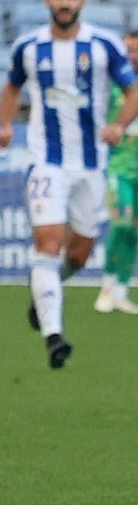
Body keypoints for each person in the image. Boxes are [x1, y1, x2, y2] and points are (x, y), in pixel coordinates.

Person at [0, 0, 138, 367]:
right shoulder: (28, 46)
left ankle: (45, 291)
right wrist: (5, 125)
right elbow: (10, 88)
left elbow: (133, 92)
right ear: (47, 1)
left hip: (90, 164)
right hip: (47, 162)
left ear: (82, 1)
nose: (64, 3)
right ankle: (54, 337)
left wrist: (119, 125)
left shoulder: (103, 45)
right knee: (48, 244)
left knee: (81, 252)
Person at [95, 30, 138, 314]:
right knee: (121, 224)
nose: (131, 55)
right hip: (118, 168)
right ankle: (107, 285)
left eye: (135, 50)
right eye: (128, 50)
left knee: (133, 230)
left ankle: (122, 289)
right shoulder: (112, 87)